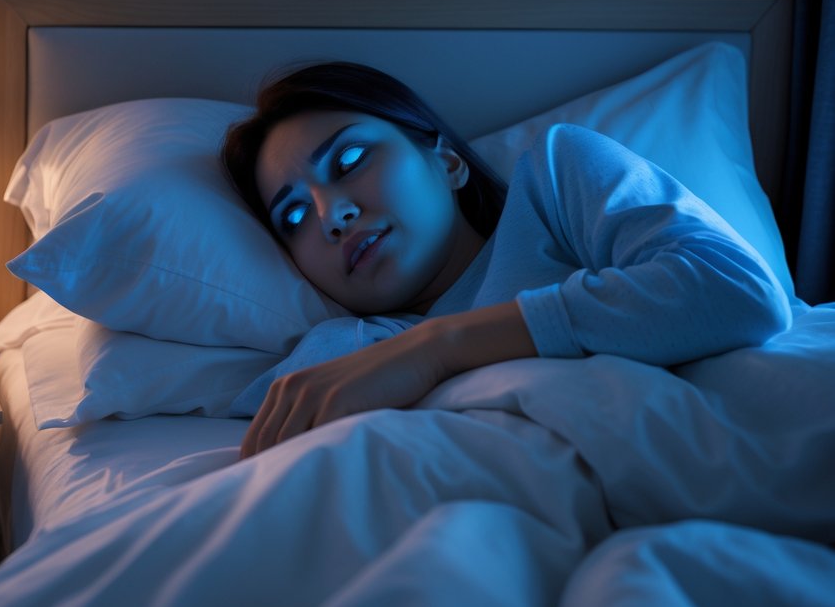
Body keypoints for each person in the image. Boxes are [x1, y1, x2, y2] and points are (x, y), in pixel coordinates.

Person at [221, 61, 791, 458]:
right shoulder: (349, 350)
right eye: (294, 218)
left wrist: (439, 348)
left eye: (349, 159)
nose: (330, 216)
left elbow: (736, 290)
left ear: (447, 164)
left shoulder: (555, 180)